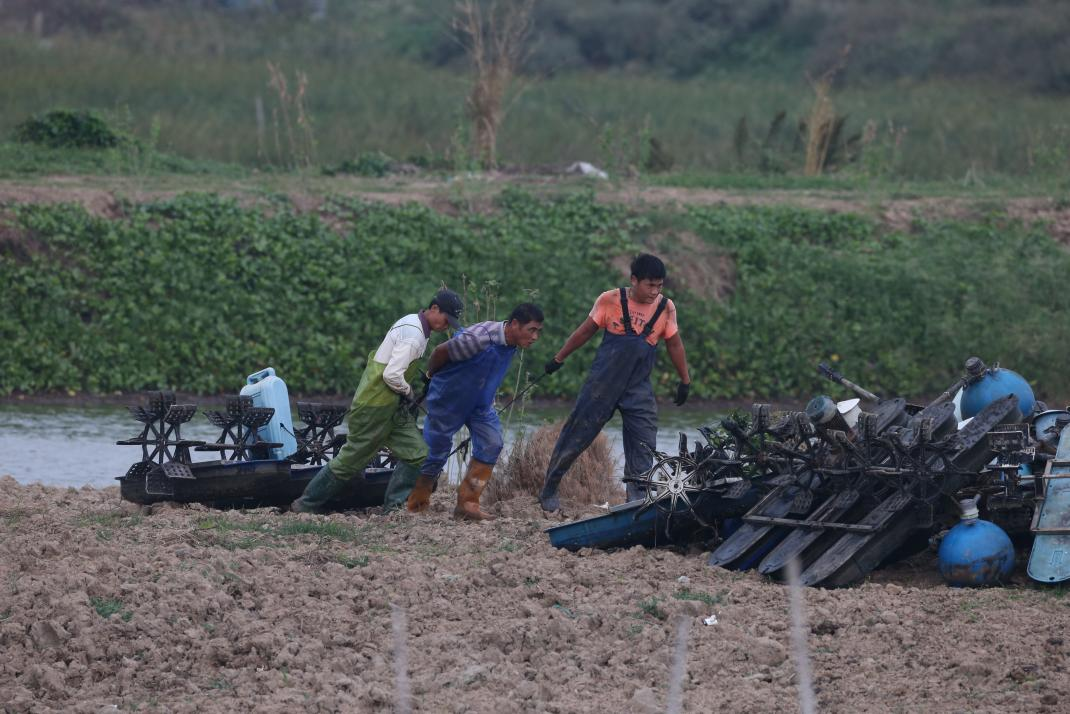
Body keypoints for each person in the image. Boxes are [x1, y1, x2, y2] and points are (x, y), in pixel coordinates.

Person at [538, 253, 691, 512]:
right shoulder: (610, 300)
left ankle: (637, 499)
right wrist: (559, 358)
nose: (655, 291)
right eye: (649, 285)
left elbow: (674, 343)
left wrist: (684, 380)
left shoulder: (666, 307)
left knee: (644, 441)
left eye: (659, 286)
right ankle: (550, 487)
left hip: (638, 388)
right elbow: (585, 330)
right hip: (602, 384)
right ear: (634, 280)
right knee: (577, 433)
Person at [290, 289, 464, 514]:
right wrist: (409, 391)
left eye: (451, 322)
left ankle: (394, 509)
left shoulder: (414, 323)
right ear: (434, 309)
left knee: (419, 455)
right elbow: (391, 376)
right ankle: (304, 505)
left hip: (391, 409)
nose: (446, 326)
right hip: (375, 406)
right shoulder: (414, 335)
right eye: (446, 319)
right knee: (349, 461)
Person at [405, 303, 545, 520]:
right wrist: (430, 375)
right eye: (532, 330)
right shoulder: (478, 338)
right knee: (436, 450)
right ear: (515, 324)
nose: (535, 337)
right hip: (449, 399)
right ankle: (415, 504)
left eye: (539, 331)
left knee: (492, 443)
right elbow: (440, 351)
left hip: (480, 404)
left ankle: (467, 504)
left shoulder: (512, 342)